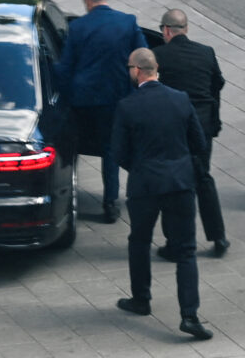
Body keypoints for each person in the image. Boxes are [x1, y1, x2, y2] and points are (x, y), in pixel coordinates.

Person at [112, 48, 214, 341]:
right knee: (186, 251)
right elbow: (198, 143)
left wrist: (140, 168)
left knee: (140, 242)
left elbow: (118, 152)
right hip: (180, 184)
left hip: (145, 186)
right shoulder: (180, 99)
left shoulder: (127, 106)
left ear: (137, 71)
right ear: (155, 68)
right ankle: (189, 316)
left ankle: (141, 299)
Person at [55, 0, 147, 223]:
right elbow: (143, 58)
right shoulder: (128, 22)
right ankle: (110, 203)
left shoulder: (78, 27)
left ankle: (67, 196)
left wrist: (64, 93)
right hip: (116, 99)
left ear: (87, 1)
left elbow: (65, 67)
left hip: (83, 101)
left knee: (73, 146)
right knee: (110, 149)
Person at [154, 9, 229, 258]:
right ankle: (218, 236)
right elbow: (217, 84)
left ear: (166, 30)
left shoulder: (159, 56)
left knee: (172, 183)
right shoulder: (206, 52)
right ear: (185, 29)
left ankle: (175, 243)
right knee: (203, 179)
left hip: (174, 129)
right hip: (203, 127)